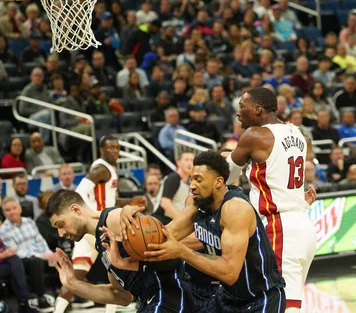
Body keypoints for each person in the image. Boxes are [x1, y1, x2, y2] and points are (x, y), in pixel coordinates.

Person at [121, 151, 286, 312]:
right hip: (229, 296)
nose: (192, 185)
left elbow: (229, 272)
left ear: (218, 182)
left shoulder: (235, 208)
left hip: (260, 298)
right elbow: (159, 237)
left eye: (199, 180)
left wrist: (182, 252)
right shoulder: (197, 204)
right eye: (191, 179)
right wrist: (130, 216)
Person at [226, 87, 317, 311]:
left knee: (285, 305)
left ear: (257, 110)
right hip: (303, 224)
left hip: (279, 226)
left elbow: (226, 174)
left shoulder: (254, 136)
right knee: (289, 301)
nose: (238, 114)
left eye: (242, 107)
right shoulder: (298, 133)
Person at [45, 190, 190, 312]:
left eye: (61, 224)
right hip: (149, 301)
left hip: (169, 294)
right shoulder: (101, 244)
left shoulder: (112, 219)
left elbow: (164, 239)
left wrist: (126, 210)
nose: (61, 233)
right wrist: (72, 283)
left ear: (76, 210)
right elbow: (120, 296)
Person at [55, 135, 144, 313]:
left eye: (117, 148)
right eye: (110, 148)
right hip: (99, 227)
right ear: (102, 149)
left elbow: (108, 200)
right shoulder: (101, 169)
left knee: (77, 275)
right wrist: (88, 215)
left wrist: (129, 200)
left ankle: (57, 311)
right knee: (118, 271)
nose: (115, 151)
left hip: (93, 228)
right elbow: (79, 191)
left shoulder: (107, 169)